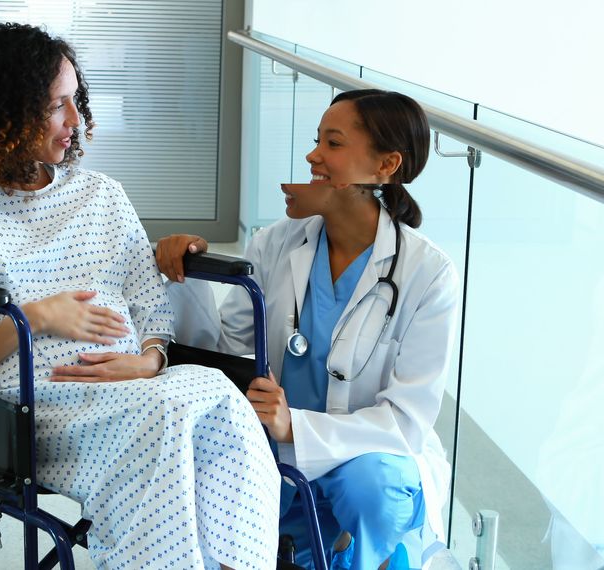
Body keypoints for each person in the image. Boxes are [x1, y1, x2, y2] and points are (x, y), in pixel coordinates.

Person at [0, 23, 279, 570]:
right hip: (33, 406)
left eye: (75, 100)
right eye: (57, 105)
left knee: (221, 399)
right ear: (6, 113)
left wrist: (149, 361)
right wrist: (30, 319)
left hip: (135, 385)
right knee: (165, 420)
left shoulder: (102, 194)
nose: (75, 120)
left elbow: (150, 303)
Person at [157, 89, 459, 570]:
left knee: (371, 490)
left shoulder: (427, 272)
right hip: (270, 444)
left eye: (333, 144)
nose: (312, 155)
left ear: (386, 165)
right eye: (317, 140)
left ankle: (382, 555)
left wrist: (294, 424)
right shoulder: (274, 242)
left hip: (365, 458)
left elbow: (406, 420)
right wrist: (188, 274)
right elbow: (232, 355)